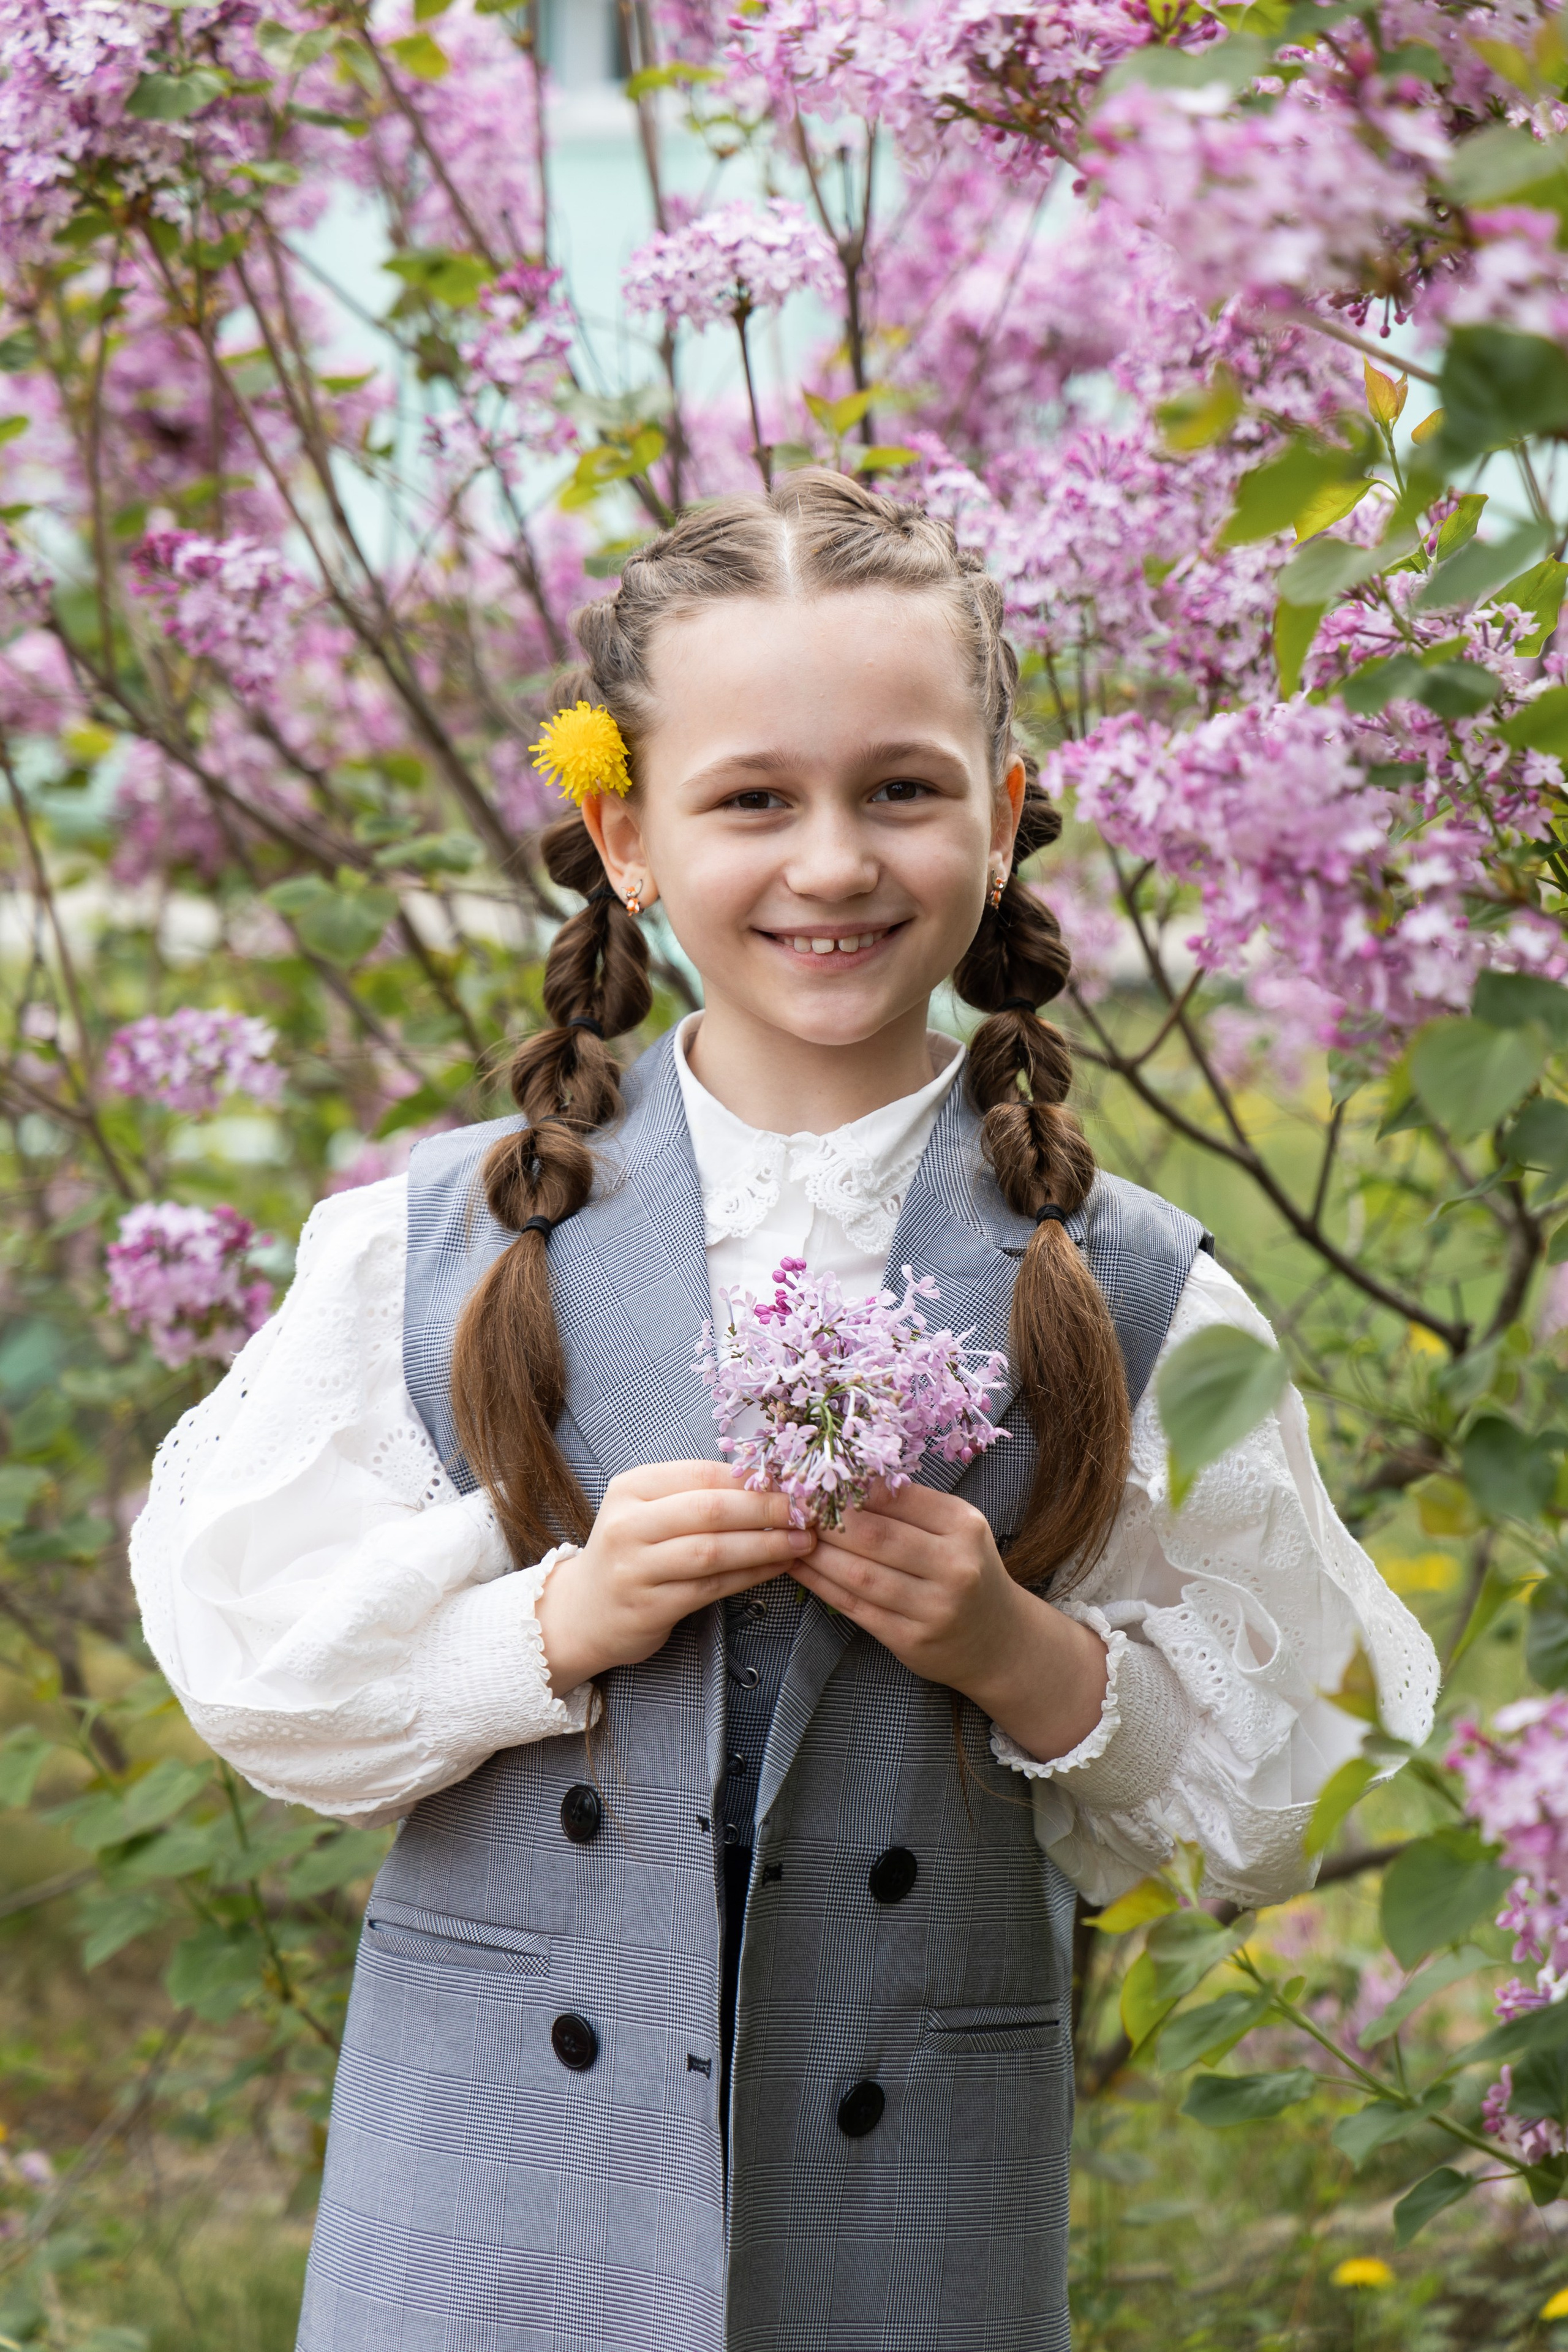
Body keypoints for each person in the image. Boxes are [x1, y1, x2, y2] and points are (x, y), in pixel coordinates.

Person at [130, 470, 1439, 2352]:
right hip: (493, 2190)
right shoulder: (430, 1244)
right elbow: (261, 1664)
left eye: (900, 790)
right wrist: (551, 1619)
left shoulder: (1134, 1285)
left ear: (999, 815)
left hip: (908, 2200)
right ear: (627, 836)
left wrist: (1023, 1655)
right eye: (753, 799)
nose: (833, 863)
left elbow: (1301, 1762)